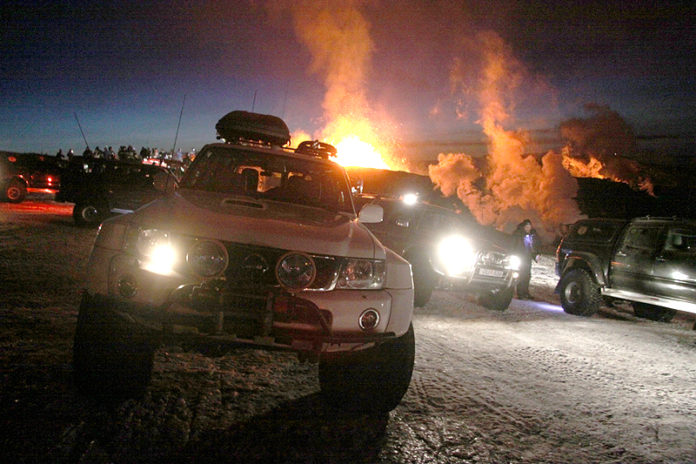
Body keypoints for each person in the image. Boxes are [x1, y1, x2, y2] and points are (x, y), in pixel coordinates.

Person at [512, 219, 540, 300]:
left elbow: (532, 247)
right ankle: (520, 293)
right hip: (520, 257)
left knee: (527, 276)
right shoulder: (518, 234)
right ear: (523, 227)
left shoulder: (531, 235)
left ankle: (526, 292)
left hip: (527, 258)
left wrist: (535, 255)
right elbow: (514, 245)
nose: (528, 228)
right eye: (527, 227)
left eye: (529, 227)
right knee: (521, 275)